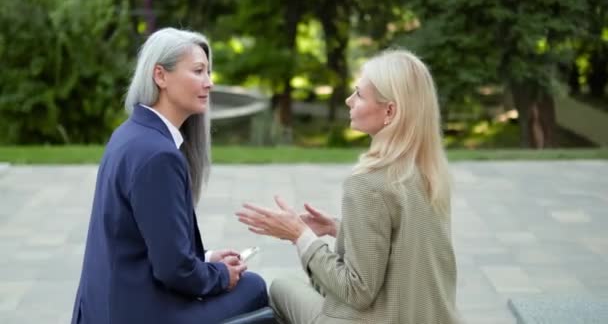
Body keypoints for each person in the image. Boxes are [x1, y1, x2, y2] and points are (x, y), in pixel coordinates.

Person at [236, 49, 463, 323]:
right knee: (312, 287)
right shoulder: (431, 172)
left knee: (281, 286)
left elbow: (357, 291)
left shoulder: (367, 183)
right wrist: (337, 228)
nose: (348, 100)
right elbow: (403, 246)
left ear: (389, 111)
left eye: (359, 94)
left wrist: (301, 236)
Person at [71, 28, 268, 324]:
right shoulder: (158, 156)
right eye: (199, 71)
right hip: (137, 314)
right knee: (253, 287)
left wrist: (207, 259)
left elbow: (146, 245)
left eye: (208, 72)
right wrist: (220, 275)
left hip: (105, 306)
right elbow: (174, 270)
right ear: (160, 76)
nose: (209, 83)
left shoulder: (129, 134)